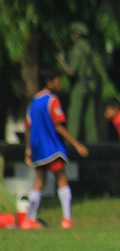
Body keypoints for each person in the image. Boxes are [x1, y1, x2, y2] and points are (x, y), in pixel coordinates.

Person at [22, 66, 89, 228]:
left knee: (39, 181)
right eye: (58, 81)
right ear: (50, 82)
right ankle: (67, 219)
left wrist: (28, 148)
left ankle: (30, 219)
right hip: (51, 147)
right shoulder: (52, 101)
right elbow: (58, 125)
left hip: (38, 148)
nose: (60, 85)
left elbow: (27, 126)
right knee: (62, 179)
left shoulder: (34, 101)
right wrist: (76, 144)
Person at [58, 22, 112, 142]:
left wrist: (62, 61)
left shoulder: (77, 49)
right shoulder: (89, 48)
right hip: (91, 84)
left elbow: (72, 71)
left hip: (81, 84)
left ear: (76, 35)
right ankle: (93, 142)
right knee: (90, 116)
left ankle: (71, 142)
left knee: (74, 113)